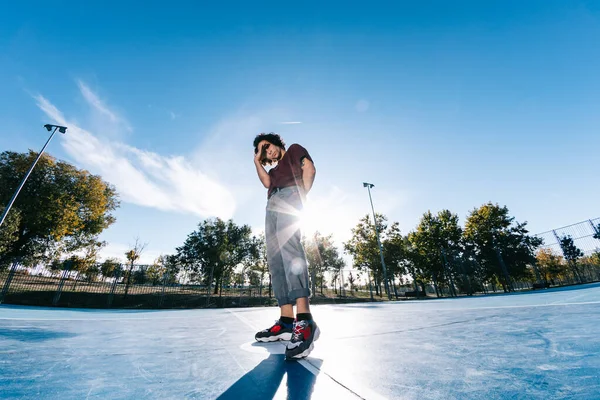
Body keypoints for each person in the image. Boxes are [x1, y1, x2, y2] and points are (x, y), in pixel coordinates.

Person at [252, 132, 320, 360]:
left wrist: (300, 196)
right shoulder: (272, 172)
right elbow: (266, 183)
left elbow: (309, 169)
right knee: (276, 261)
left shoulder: (293, 149)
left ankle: (305, 319)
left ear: (277, 143)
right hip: (271, 204)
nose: (267, 152)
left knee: (291, 251)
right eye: (262, 152)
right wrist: (255, 161)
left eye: (268, 146)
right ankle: (286, 321)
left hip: (291, 195)